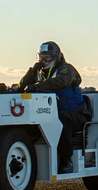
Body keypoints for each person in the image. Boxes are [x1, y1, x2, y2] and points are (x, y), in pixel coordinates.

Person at [12, 41, 90, 173]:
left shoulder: (67, 70)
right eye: (41, 57)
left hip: (76, 114)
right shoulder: (39, 73)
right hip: (49, 113)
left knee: (61, 120)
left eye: (47, 57)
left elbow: (60, 82)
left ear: (56, 57)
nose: (43, 61)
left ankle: (66, 160)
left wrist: (37, 86)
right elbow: (22, 87)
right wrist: (32, 72)